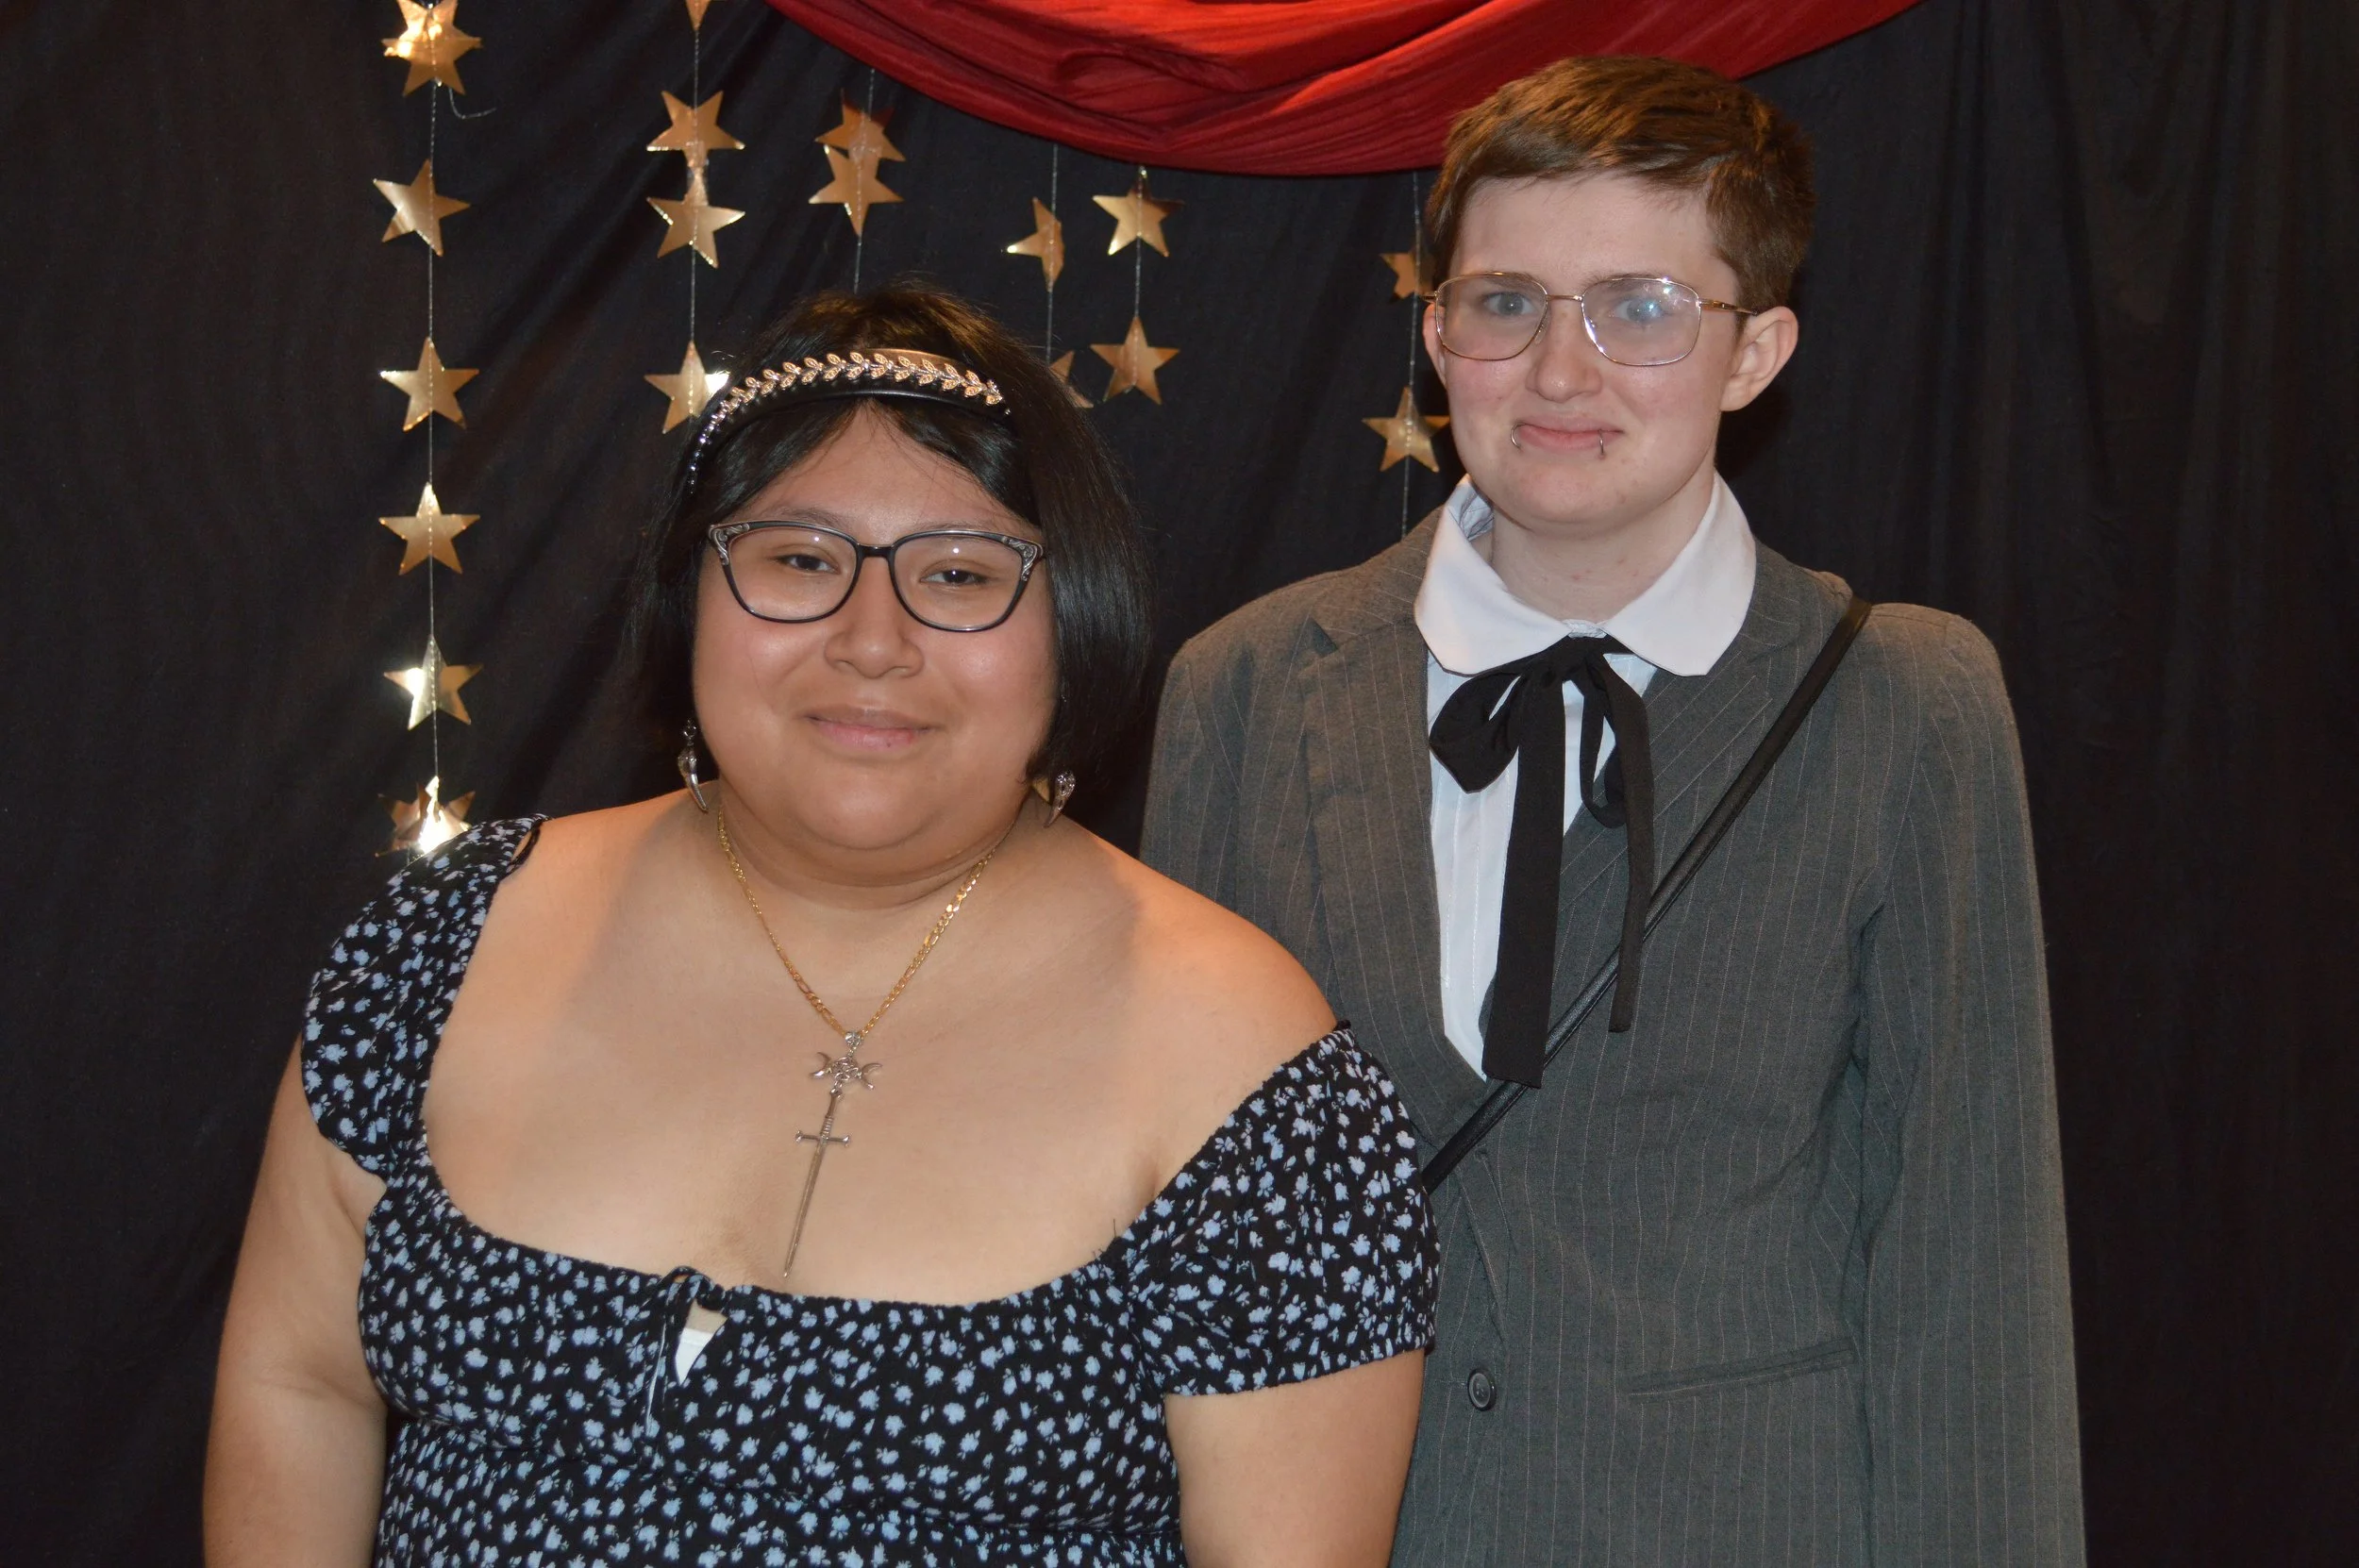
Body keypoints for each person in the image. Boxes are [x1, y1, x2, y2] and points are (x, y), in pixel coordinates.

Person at [206, 286, 1437, 1566]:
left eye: (959, 575)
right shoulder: (439, 945)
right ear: (695, 594)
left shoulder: (1256, 1076)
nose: (870, 639)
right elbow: (298, 1385)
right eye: (799, 559)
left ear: (1071, 625)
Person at [1144, 56, 2083, 1565]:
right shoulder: (1246, 687)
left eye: (1641, 308)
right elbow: (1179, 1242)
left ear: (1757, 349)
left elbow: (1970, 1267)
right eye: (1507, 302)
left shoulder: (1910, 705)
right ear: (1439, 331)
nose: (1561, 373)